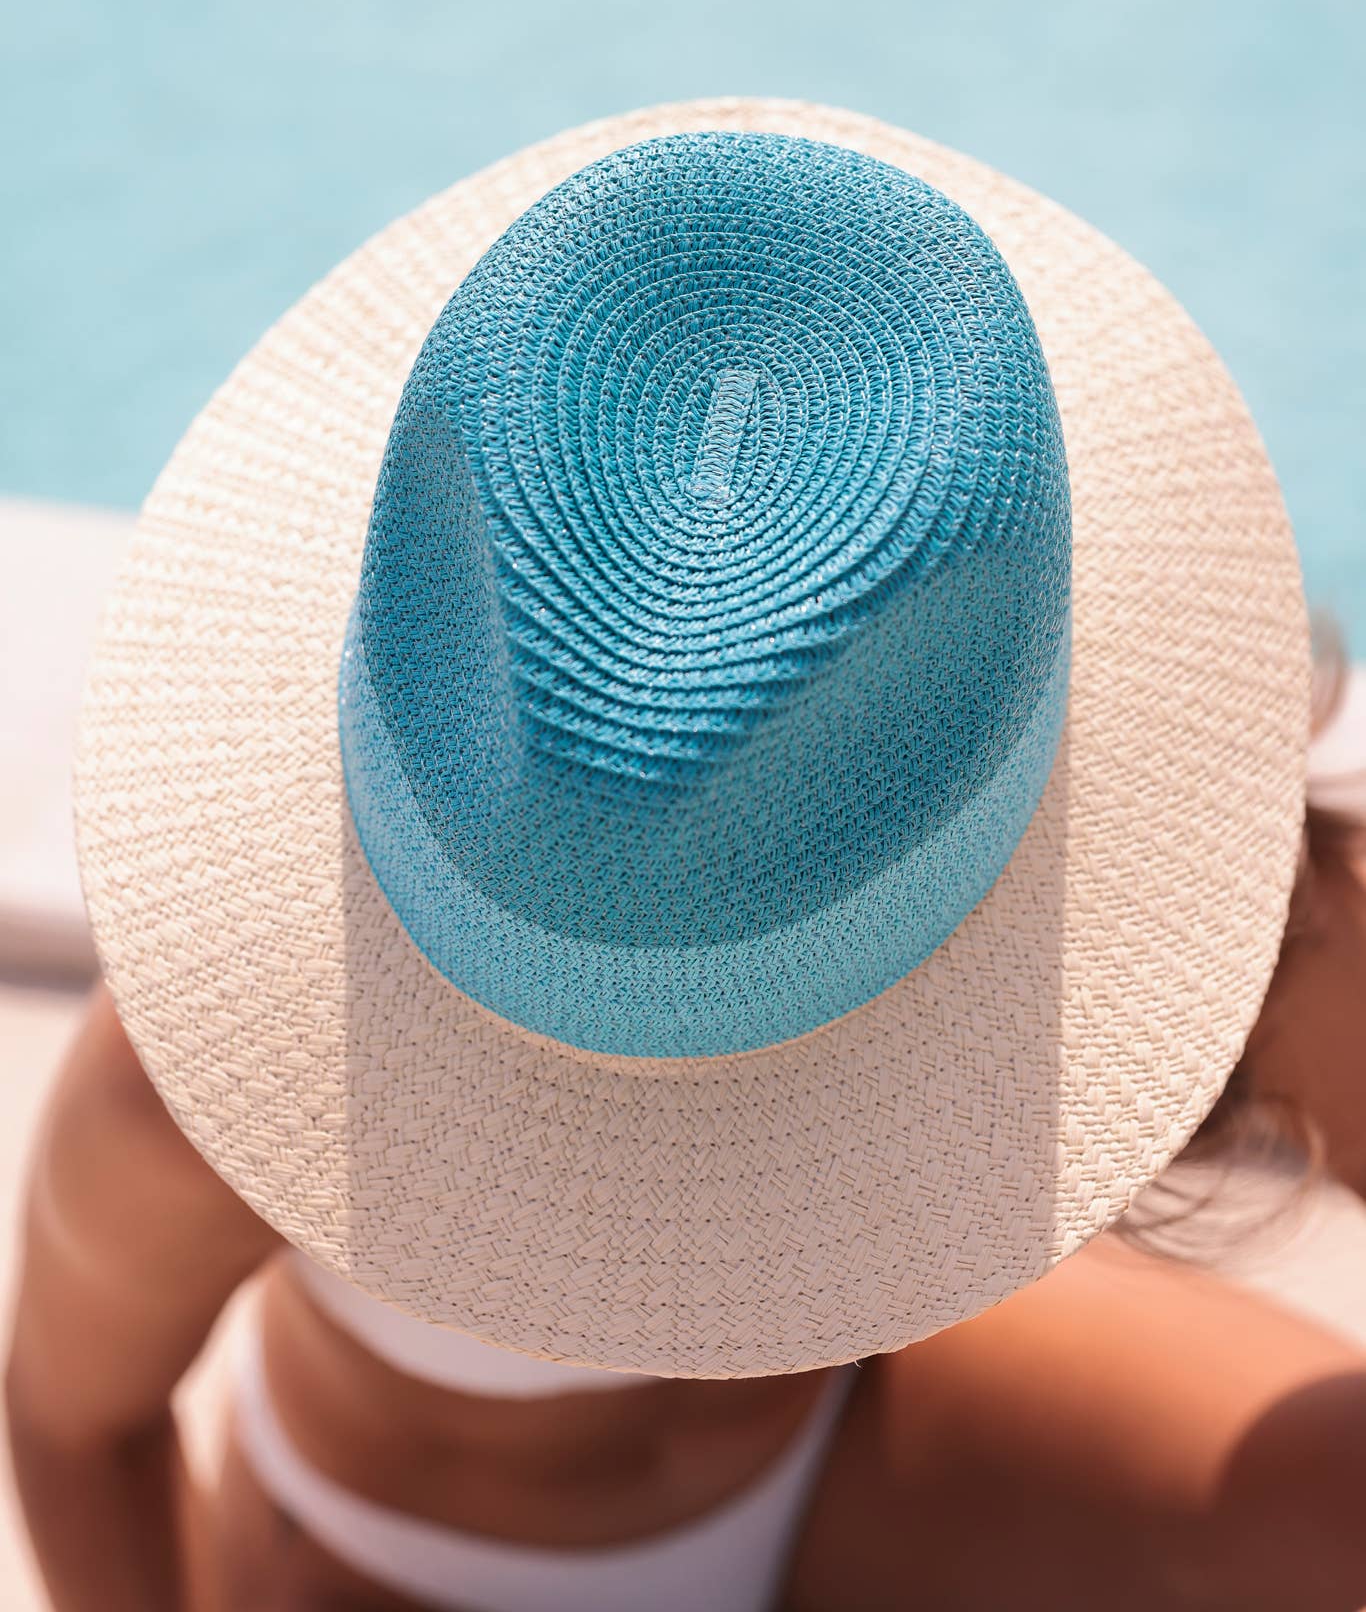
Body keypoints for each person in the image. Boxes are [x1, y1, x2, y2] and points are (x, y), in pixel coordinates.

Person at [6, 101, 1364, 1612]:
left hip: (865, 1432)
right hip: (424, 1549)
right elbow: (73, 1424)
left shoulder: (1032, 800)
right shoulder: (216, 1072)